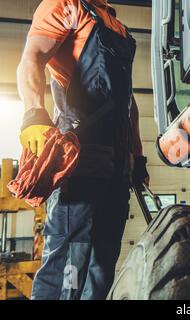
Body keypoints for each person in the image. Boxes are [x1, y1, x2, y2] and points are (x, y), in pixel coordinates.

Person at [16, 0, 149, 300]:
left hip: (116, 167)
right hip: (79, 158)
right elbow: (32, 58)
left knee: (102, 266)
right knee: (69, 266)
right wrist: (34, 113)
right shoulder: (65, 5)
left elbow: (127, 102)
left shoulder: (114, 22)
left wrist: (137, 156)